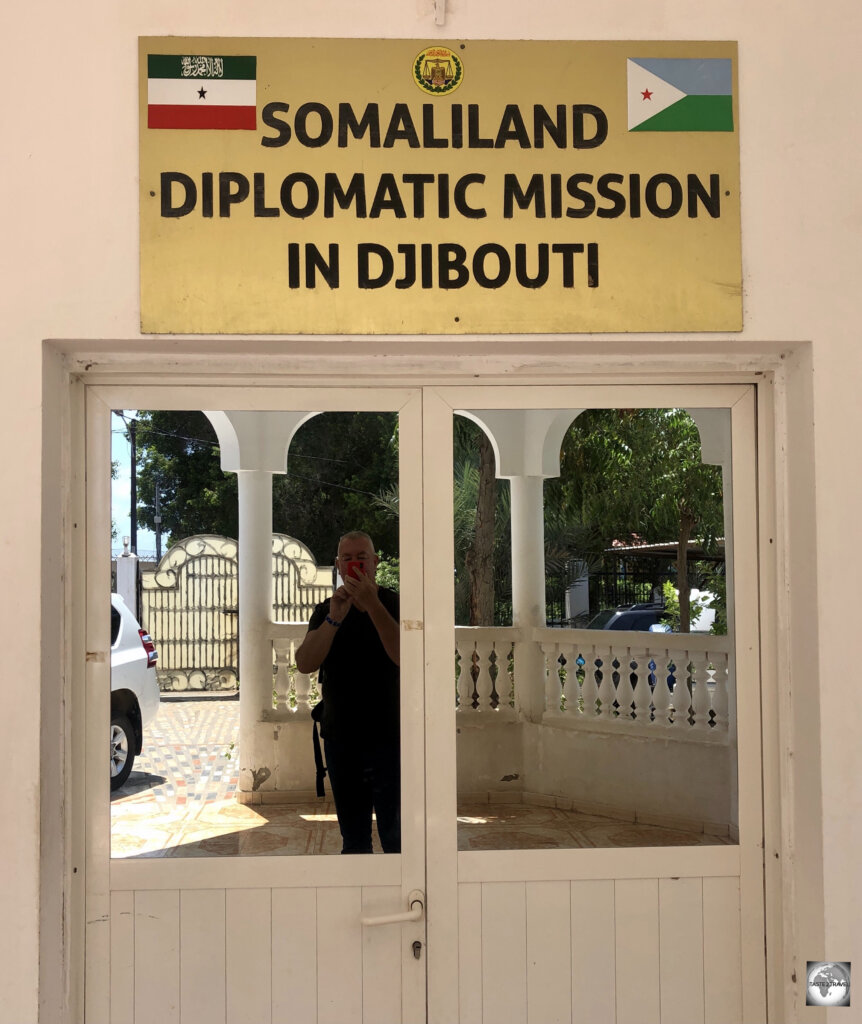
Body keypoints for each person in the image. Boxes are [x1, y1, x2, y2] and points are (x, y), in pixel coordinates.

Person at [295, 531, 401, 854]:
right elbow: (304, 663)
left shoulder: (395, 603)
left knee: (396, 839)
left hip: (390, 741)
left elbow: (405, 655)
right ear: (339, 566)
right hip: (343, 742)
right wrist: (333, 619)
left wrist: (373, 607)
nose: (356, 564)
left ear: (375, 563)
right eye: (349, 558)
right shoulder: (327, 609)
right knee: (354, 841)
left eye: (362, 557)